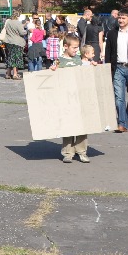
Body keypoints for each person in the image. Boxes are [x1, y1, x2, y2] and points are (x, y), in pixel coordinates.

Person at [52, 33, 89, 163]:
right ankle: (68, 152)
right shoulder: (59, 61)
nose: (76, 50)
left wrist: (93, 65)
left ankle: (82, 151)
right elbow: (54, 76)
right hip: (65, 98)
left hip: (79, 97)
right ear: (66, 46)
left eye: (77, 47)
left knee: (82, 125)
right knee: (67, 125)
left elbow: (87, 71)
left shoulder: (79, 59)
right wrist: (53, 70)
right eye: (74, 47)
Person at [0, 14, 29, 80]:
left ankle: (8, 73)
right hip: (17, 42)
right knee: (16, 58)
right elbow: (22, 32)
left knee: (10, 57)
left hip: (8, 41)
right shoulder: (18, 23)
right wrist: (26, 31)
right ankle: (15, 74)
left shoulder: (8, 22)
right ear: (17, 16)